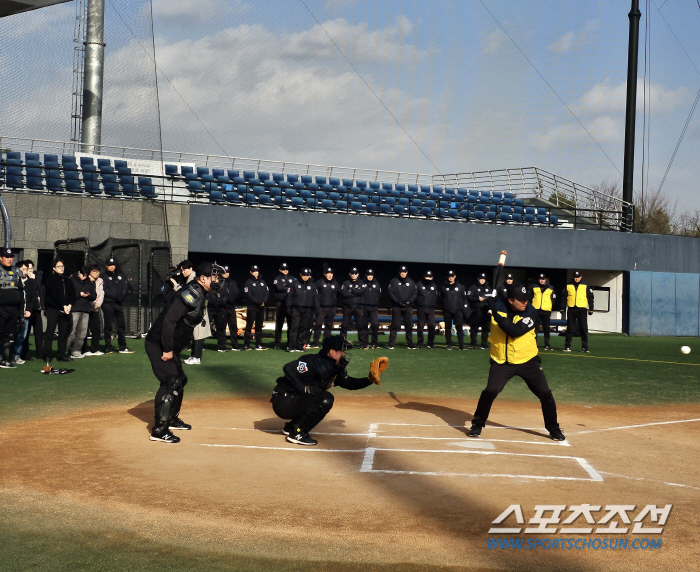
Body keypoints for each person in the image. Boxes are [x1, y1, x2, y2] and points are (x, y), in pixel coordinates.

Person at [468, 282, 565, 441]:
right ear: (510, 300)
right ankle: (478, 424)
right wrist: (484, 307)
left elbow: (514, 331)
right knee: (491, 391)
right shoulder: (497, 305)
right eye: (520, 299)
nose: (524, 302)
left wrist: (496, 314)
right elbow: (472, 322)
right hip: (501, 361)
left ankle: (553, 428)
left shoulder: (531, 312)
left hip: (527, 360)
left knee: (545, 393)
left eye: (526, 298)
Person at [145, 261, 219, 443]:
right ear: (202, 278)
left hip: (170, 346)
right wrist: (168, 349)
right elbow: (169, 321)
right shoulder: (190, 293)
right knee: (170, 381)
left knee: (180, 380)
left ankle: (171, 419)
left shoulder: (200, 292)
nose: (217, 279)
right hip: (158, 344)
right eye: (213, 276)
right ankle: (159, 430)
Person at [270, 336, 385, 445]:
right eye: (342, 351)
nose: (344, 354)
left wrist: (369, 380)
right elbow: (288, 368)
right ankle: (298, 433)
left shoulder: (335, 368)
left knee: (317, 395)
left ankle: (292, 426)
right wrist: (303, 388)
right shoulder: (312, 362)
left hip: (293, 399)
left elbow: (349, 383)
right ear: (332, 352)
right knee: (325, 399)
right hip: (283, 401)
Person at [42, 258, 75, 363]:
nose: (61, 268)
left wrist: (69, 305)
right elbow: (54, 295)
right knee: (50, 332)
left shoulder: (68, 280)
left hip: (65, 311)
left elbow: (72, 294)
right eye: (59, 267)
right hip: (53, 309)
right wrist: (63, 305)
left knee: (63, 333)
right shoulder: (50, 280)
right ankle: (47, 354)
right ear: (54, 268)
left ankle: (62, 354)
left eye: (62, 266)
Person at [101, 257, 133, 354]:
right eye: (110, 265)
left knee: (121, 325)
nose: (112, 267)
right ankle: (108, 347)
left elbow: (125, 287)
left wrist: (121, 297)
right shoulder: (103, 277)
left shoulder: (120, 276)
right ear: (106, 266)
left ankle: (122, 347)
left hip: (118, 303)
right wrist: (115, 296)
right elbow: (104, 290)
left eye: (113, 265)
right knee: (108, 326)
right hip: (107, 303)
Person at [67, 266, 96, 359]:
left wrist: (89, 295)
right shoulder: (71, 280)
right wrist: (79, 294)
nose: (84, 277)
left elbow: (94, 296)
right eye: (83, 275)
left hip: (86, 309)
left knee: (82, 332)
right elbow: (68, 294)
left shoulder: (90, 282)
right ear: (78, 272)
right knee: (70, 332)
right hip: (74, 308)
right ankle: (64, 351)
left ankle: (76, 350)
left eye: (86, 275)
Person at [287, 268, 319, 352]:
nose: (305, 277)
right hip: (296, 308)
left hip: (307, 309)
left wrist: (317, 309)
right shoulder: (294, 284)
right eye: (304, 275)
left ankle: (299, 346)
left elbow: (315, 298)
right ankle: (291, 346)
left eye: (307, 275)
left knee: (303, 328)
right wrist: (288, 307)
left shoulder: (312, 285)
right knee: (294, 327)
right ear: (300, 275)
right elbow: (289, 296)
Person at [211, 265, 241, 352]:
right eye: (224, 272)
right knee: (221, 327)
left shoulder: (232, 281)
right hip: (222, 307)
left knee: (233, 326)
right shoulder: (218, 281)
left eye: (227, 272)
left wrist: (231, 300)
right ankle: (221, 346)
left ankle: (234, 345)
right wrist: (223, 300)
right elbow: (217, 293)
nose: (226, 274)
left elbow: (236, 292)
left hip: (231, 307)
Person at [563, 270, 594, 353]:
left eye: (578, 277)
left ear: (581, 277)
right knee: (570, 328)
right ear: (573, 277)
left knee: (583, 328)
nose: (576, 279)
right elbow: (564, 297)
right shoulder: (568, 285)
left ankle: (585, 347)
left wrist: (591, 308)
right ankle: (567, 346)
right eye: (575, 277)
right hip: (571, 308)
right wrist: (562, 308)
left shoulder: (585, 284)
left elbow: (590, 296)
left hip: (582, 309)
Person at [387, 265, 417, 350]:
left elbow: (415, 293)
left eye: (404, 272)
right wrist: (397, 301)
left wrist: (410, 301)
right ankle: (391, 344)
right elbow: (391, 293)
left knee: (408, 325)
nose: (403, 273)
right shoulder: (394, 281)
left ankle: (410, 344)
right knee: (395, 325)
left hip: (408, 307)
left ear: (407, 272)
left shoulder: (411, 282)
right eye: (401, 272)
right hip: (397, 307)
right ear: (399, 272)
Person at [21, 259, 44, 362]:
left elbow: (41, 291)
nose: (30, 271)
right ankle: (25, 354)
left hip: (37, 309)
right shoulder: (25, 280)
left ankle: (41, 353)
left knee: (39, 333)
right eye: (28, 268)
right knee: (25, 333)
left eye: (31, 268)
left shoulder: (37, 278)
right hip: (28, 309)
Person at [340, 267, 368, 349]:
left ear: (358, 274)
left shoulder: (362, 283)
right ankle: (342, 343)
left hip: (358, 307)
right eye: (352, 273)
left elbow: (362, 292)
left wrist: (351, 290)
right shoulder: (345, 283)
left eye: (355, 273)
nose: (354, 275)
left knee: (360, 326)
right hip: (348, 307)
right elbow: (344, 294)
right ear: (350, 274)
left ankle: (362, 344)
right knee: (344, 326)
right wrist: (355, 291)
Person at [243, 264, 269, 350]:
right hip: (252, 307)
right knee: (249, 326)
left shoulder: (262, 282)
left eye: (257, 271)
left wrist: (264, 301)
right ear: (251, 272)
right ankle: (247, 344)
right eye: (254, 271)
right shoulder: (248, 282)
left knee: (259, 326)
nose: (255, 273)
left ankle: (258, 344)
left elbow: (267, 292)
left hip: (261, 307)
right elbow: (248, 295)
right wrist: (257, 301)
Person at [311, 267, 339, 346]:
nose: (329, 275)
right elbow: (315, 296)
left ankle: (326, 342)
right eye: (328, 274)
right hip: (321, 308)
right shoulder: (319, 283)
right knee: (318, 325)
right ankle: (316, 342)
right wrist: (317, 307)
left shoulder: (336, 284)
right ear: (325, 274)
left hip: (331, 308)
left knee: (329, 326)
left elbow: (338, 295)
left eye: (331, 274)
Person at [441, 270, 468, 350]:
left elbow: (464, 298)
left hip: (458, 311)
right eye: (449, 276)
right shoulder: (443, 287)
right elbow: (441, 298)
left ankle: (461, 345)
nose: (451, 278)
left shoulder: (461, 287)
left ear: (455, 276)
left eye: (452, 276)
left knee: (459, 327)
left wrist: (462, 309)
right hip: (447, 311)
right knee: (448, 328)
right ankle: (449, 344)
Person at [12, 260, 32, 365]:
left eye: (26, 269)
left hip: (25, 314)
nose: (25, 271)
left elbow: (32, 298)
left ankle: (17, 356)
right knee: (9, 336)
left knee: (21, 337)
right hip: (14, 314)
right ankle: (5, 356)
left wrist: (28, 310)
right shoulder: (13, 282)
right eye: (23, 269)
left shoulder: (29, 282)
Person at [82, 264, 105, 356]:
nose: (96, 273)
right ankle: (84, 349)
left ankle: (95, 349)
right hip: (86, 308)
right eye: (94, 271)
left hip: (95, 308)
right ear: (90, 273)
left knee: (96, 329)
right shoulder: (86, 281)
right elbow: (88, 295)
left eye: (97, 271)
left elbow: (101, 294)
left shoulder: (100, 281)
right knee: (84, 329)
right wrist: (92, 304)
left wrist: (97, 305)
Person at [273, 262, 296, 350]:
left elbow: (295, 288)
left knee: (290, 324)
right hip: (280, 303)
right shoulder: (277, 278)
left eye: (286, 269)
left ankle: (289, 343)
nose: (285, 271)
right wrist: (288, 288)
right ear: (280, 270)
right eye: (283, 269)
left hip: (290, 303)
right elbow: (278, 288)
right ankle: (277, 343)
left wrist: (286, 288)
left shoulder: (292, 278)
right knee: (279, 324)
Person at [531, 273, 557, 351]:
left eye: (543, 279)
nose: (541, 281)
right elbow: (529, 297)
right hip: (536, 310)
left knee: (546, 328)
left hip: (546, 310)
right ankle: (534, 344)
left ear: (545, 280)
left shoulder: (550, 288)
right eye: (540, 279)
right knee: (535, 328)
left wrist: (548, 305)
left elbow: (554, 298)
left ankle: (547, 345)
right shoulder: (534, 287)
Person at [467, 272, 492, 350]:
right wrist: (477, 299)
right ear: (478, 279)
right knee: (474, 328)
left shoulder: (488, 288)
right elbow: (469, 297)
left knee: (485, 328)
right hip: (476, 310)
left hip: (486, 311)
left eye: (483, 279)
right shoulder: (473, 287)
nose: (482, 281)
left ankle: (484, 344)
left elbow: (491, 299)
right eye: (481, 279)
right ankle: (473, 343)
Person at [415, 270, 437, 349]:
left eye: (430, 277)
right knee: (420, 326)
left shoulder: (434, 286)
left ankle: (430, 342)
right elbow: (415, 296)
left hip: (431, 309)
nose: (428, 278)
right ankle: (420, 343)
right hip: (421, 308)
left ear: (432, 277)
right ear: (424, 277)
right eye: (427, 277)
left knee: (432, 326)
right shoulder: (418, 285)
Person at [362, 268, 382, 349]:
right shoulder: (361, 283)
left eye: (371, 275)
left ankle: (374, 343)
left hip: (373, 307)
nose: (370, 276)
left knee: (374, 325)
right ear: (366, 275)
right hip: (364, 307)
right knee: (364, 326)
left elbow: (379, 294)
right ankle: (365, 343)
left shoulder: (377, 284)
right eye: (368, 275)